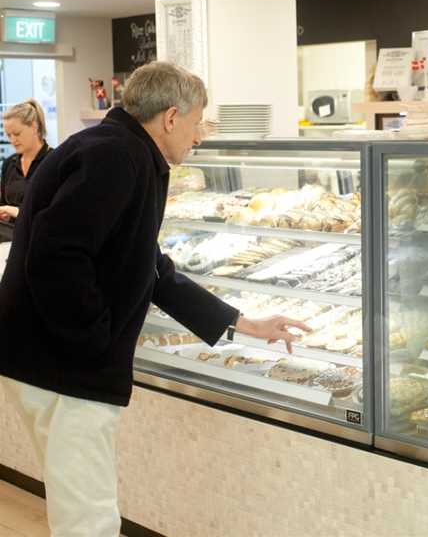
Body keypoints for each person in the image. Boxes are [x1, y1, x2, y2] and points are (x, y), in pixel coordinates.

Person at [0, 61, 310, 537]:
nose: (199, 136)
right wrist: (95, 341)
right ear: (170, 117)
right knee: (89, 519)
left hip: (43, 359)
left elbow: (148, 264)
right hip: (64, 367)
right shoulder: (116, 158)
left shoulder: (112, 148)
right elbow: (57, 253)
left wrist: (241, 322)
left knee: (79, 507)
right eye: (196, 121)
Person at [0, 99, 52, 225]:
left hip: (40, 239)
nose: (13, 140)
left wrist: (17, 212)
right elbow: (3, 202)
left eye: (17, 134)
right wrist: (4, 214)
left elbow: (55, 212)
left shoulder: (54, 162)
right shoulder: (9, 164)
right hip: (10, 238)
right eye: (9, 135)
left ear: (34, 127)